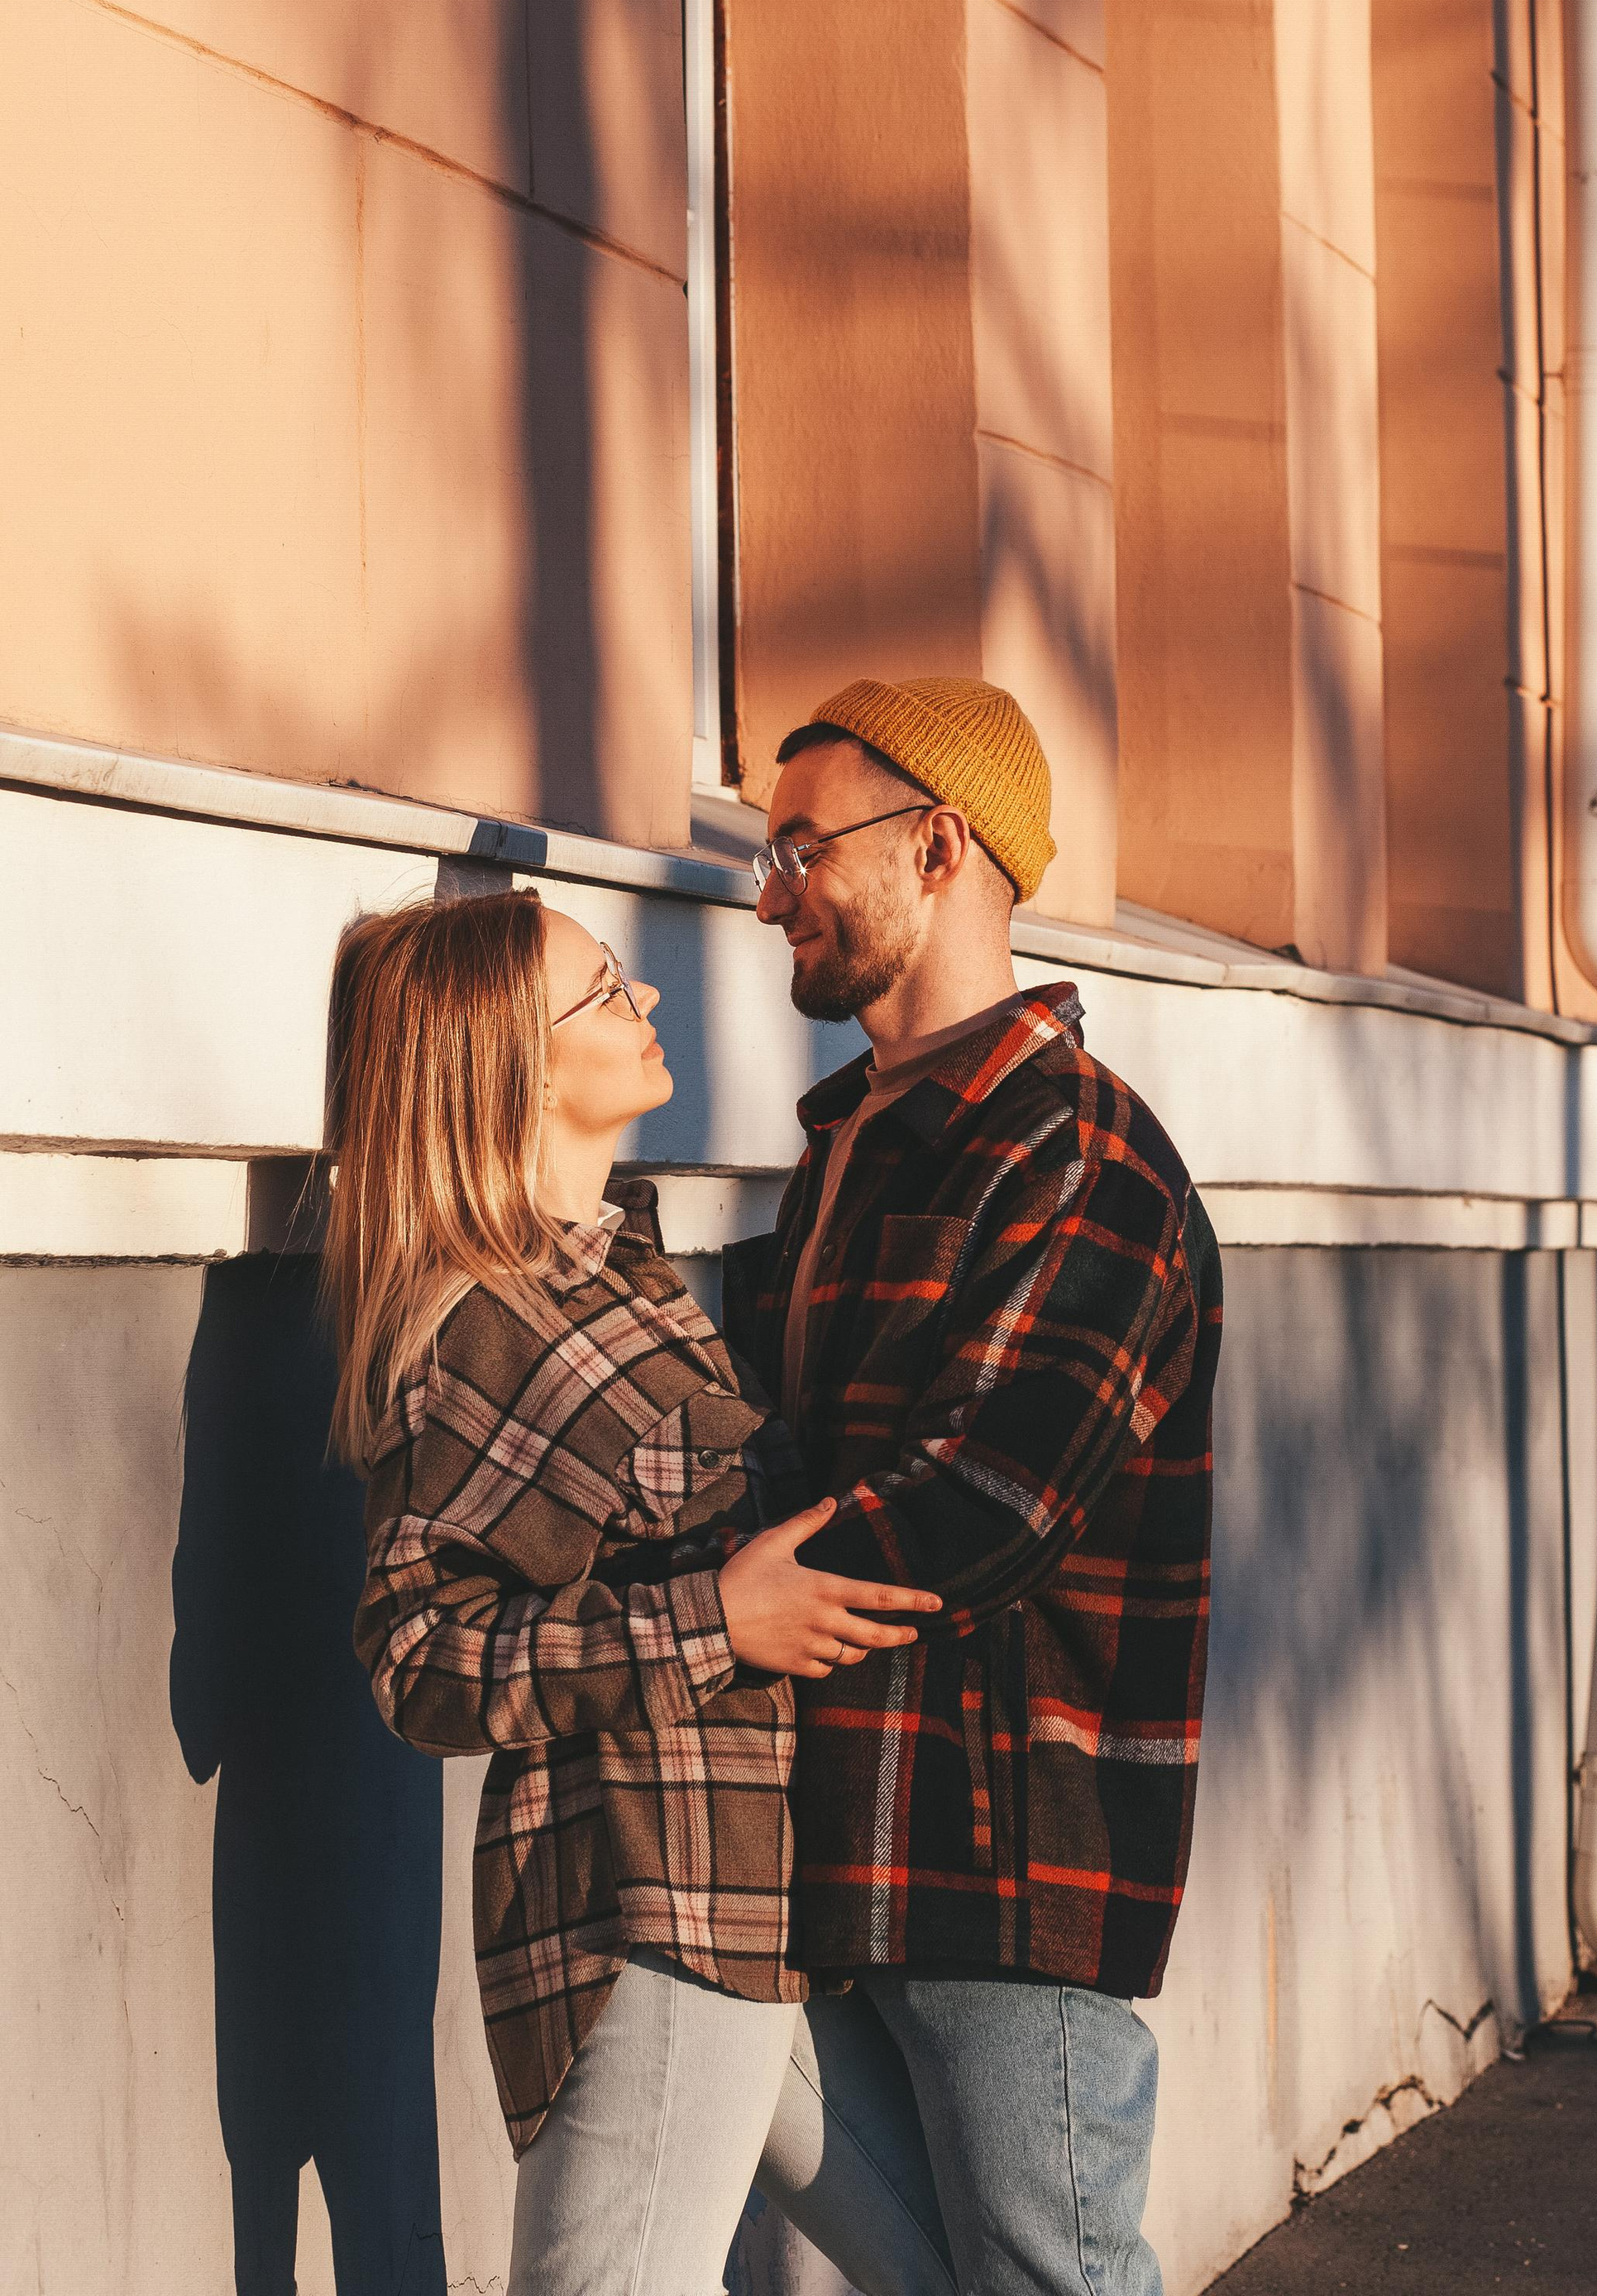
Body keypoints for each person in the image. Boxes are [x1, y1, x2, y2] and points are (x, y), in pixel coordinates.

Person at [325, 887, 960, 2296]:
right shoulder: (479, 1324)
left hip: (760, 1900)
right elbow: (415, 1655)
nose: (648, 1001)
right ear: (520, 1066)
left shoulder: (626, 1274)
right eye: (607, 992)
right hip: (648, 1903)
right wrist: (712, 1623)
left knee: (965, 2270)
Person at [725, 675, 1223, 2296]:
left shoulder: (1076, 1156)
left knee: (1046, 2279)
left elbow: (981, 1509)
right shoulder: (853, 1151)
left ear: (935, 846)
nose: (768, 890)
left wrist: (713, 1606)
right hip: (830, 1844)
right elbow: (751, 1432)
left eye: (800, 846)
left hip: (1000, 1862)